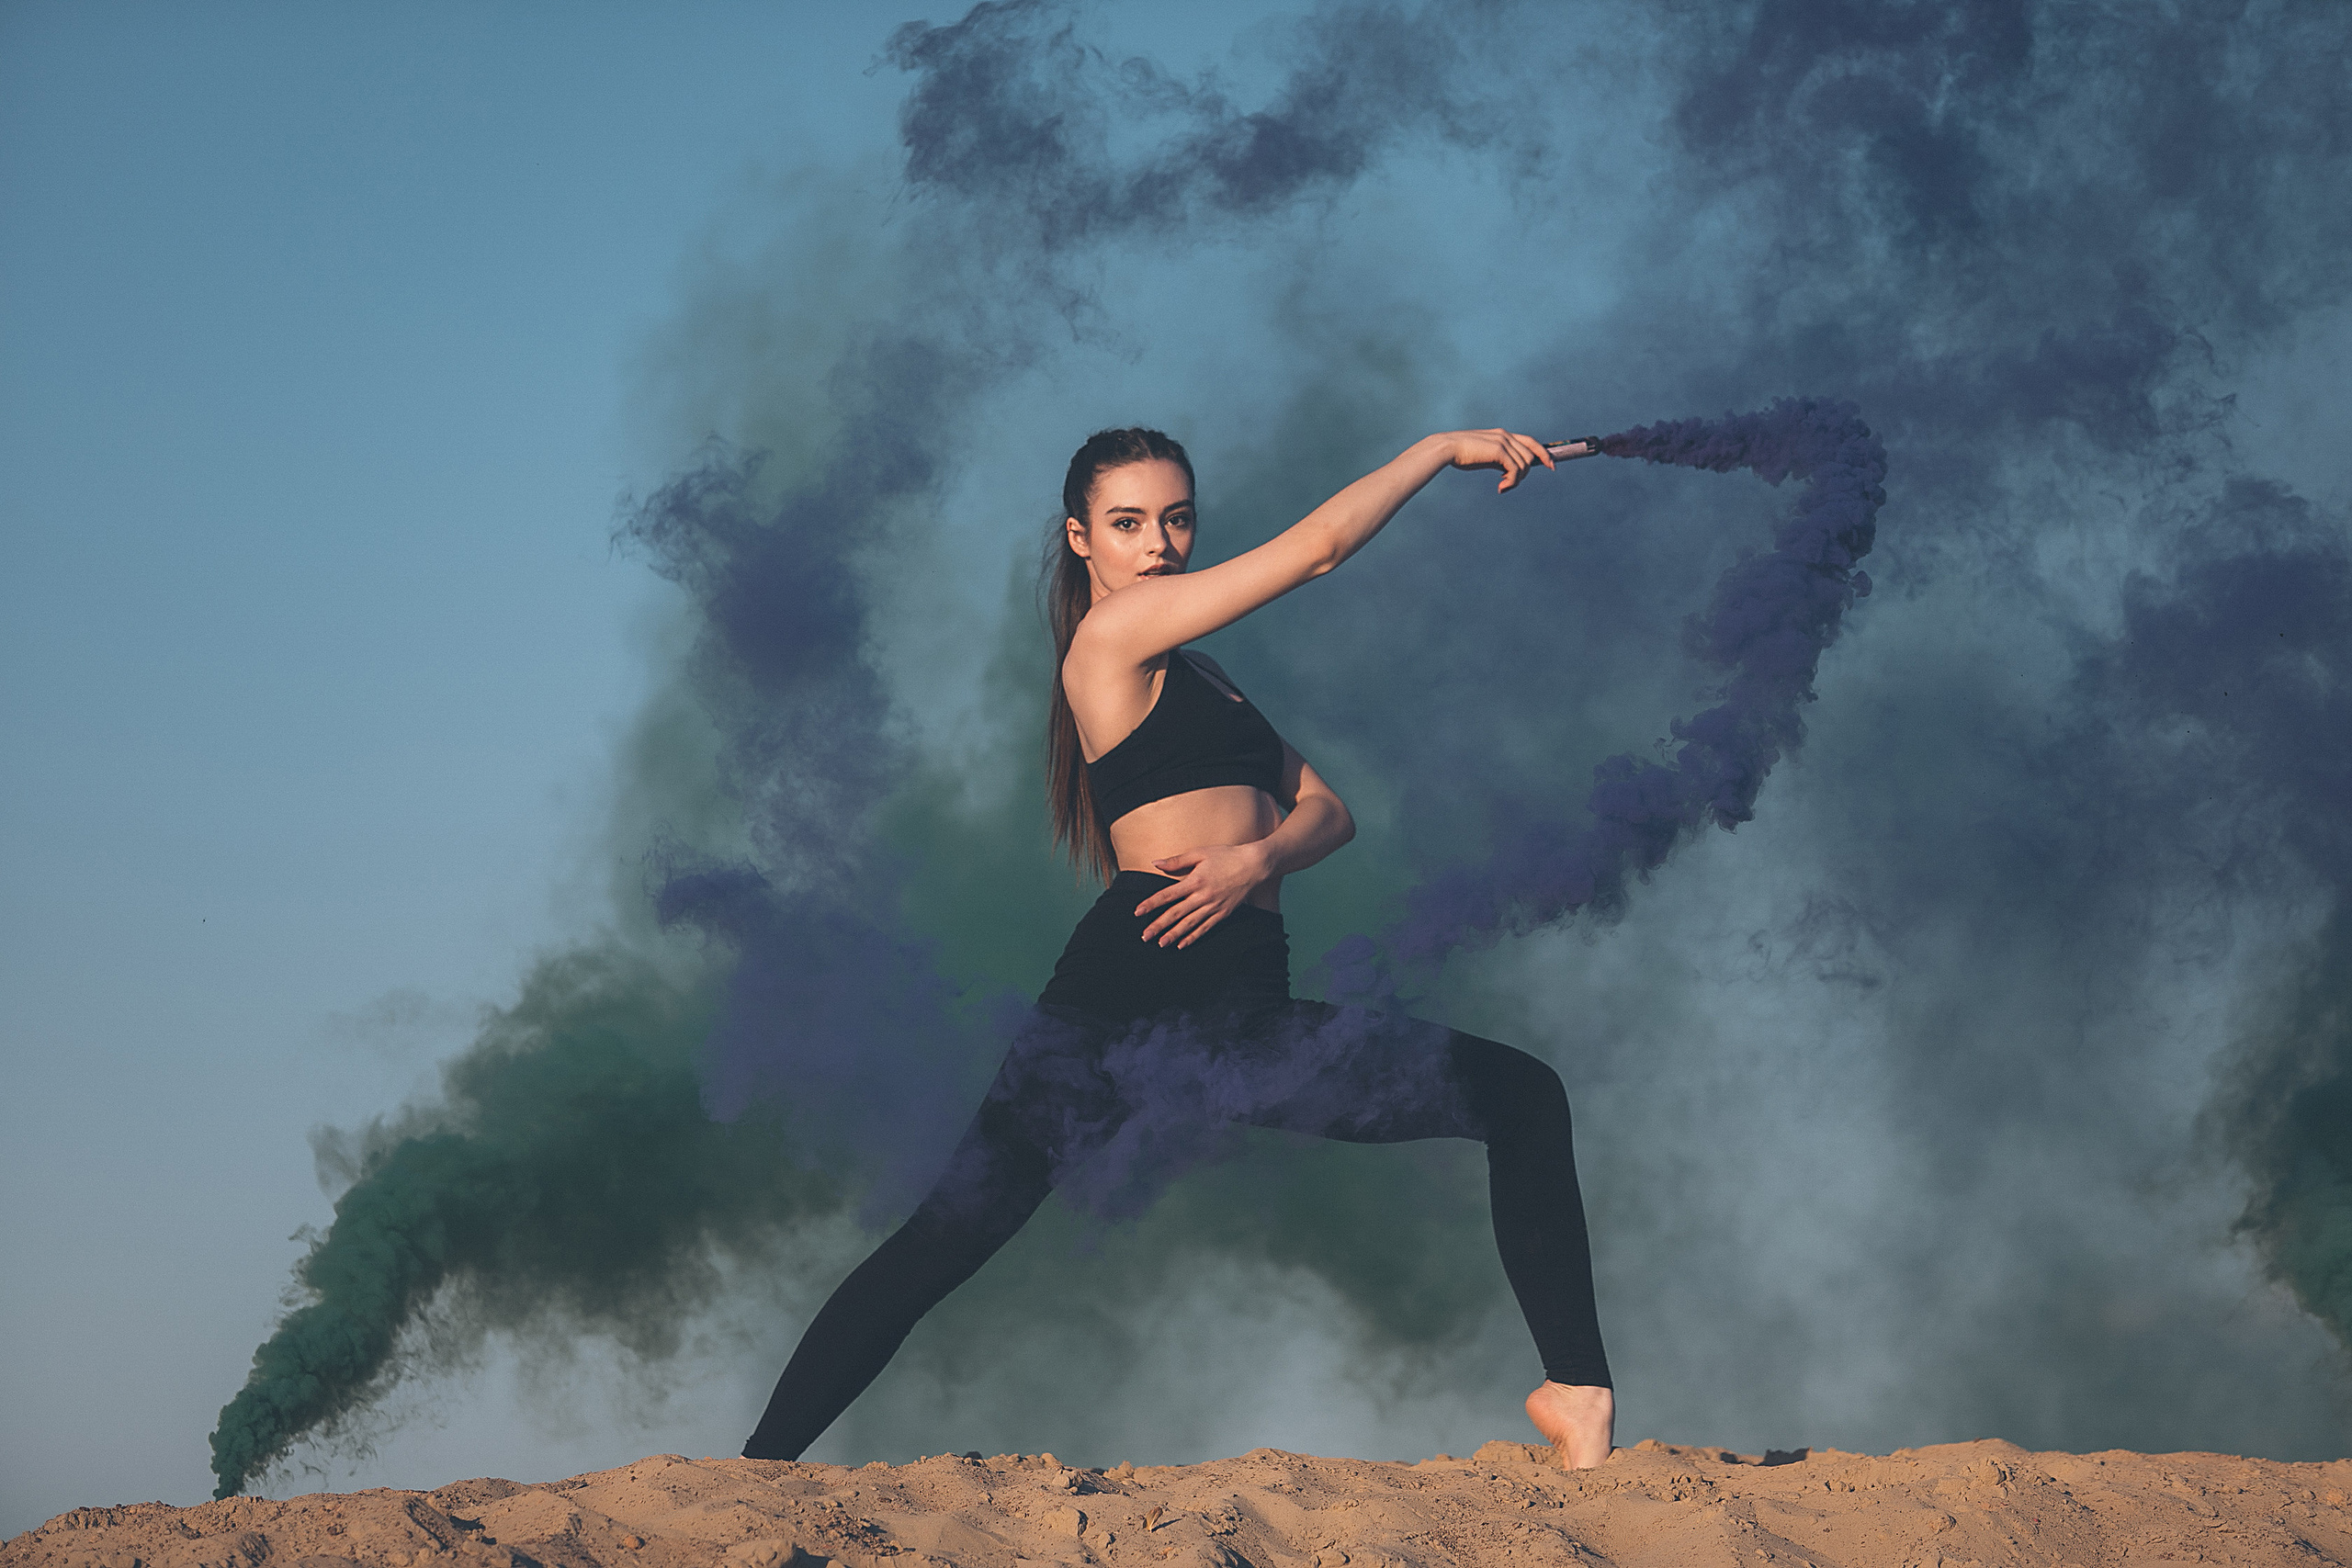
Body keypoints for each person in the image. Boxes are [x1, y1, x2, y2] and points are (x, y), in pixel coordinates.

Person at [741, 427, 1614, 1468]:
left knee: (1521, 1098)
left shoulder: (1202, 672)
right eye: (1127, 523)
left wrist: (1257, 860)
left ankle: (1576, 1391)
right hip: (1124, 992)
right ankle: (759, 1470)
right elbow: (1320, 550)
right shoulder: (1112, 638)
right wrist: (1435, 450)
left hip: (1239, 1012)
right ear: (1081, 539)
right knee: (947, 1237)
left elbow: (1330, 813)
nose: (1157, 543)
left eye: (1177, 519)